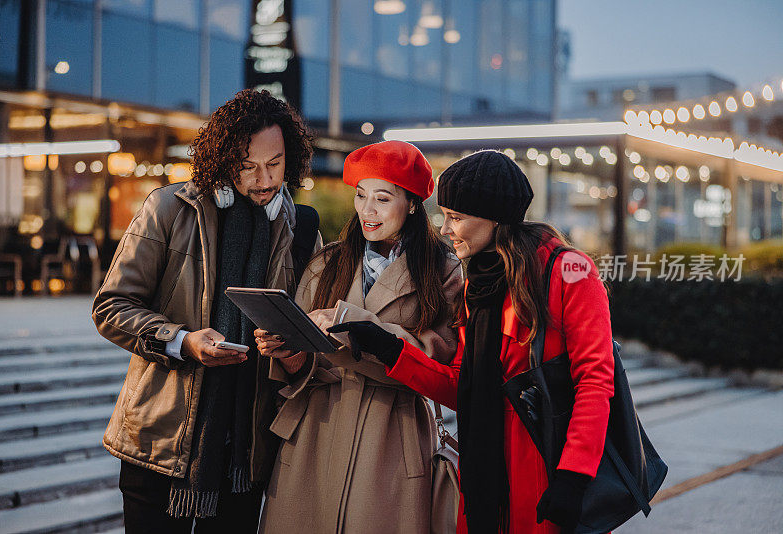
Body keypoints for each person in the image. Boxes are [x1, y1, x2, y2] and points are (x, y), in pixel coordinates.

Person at [330, 150, 615, 534]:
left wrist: (574, 476)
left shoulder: (570, 271)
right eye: (444, 215)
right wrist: (389, 348)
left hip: (546, 467)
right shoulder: (478, 284)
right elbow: (459, 386)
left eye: (456, 217)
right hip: (484, 471)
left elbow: (595, 381)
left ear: (494, 219)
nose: (445, 228)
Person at [92, 89, 322, 533]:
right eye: (247, 166)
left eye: (275, 164)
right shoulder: (169, 209)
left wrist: (291, 347)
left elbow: (311, 338)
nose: (264, 179)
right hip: (161, 444)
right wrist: (182, 341)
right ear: (222, 159)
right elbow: (111, 306)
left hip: (248, 452)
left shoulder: (303, 229)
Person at [254, 141, 463, 533]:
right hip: (316, 432)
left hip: (391, 437)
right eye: (361, 196)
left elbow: (438, 357)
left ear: (414, 203)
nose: (367, 211)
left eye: (382, 199)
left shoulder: (442, 269)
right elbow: (304, 365)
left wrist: (352, 322)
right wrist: (286, 351)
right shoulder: (327, 261)